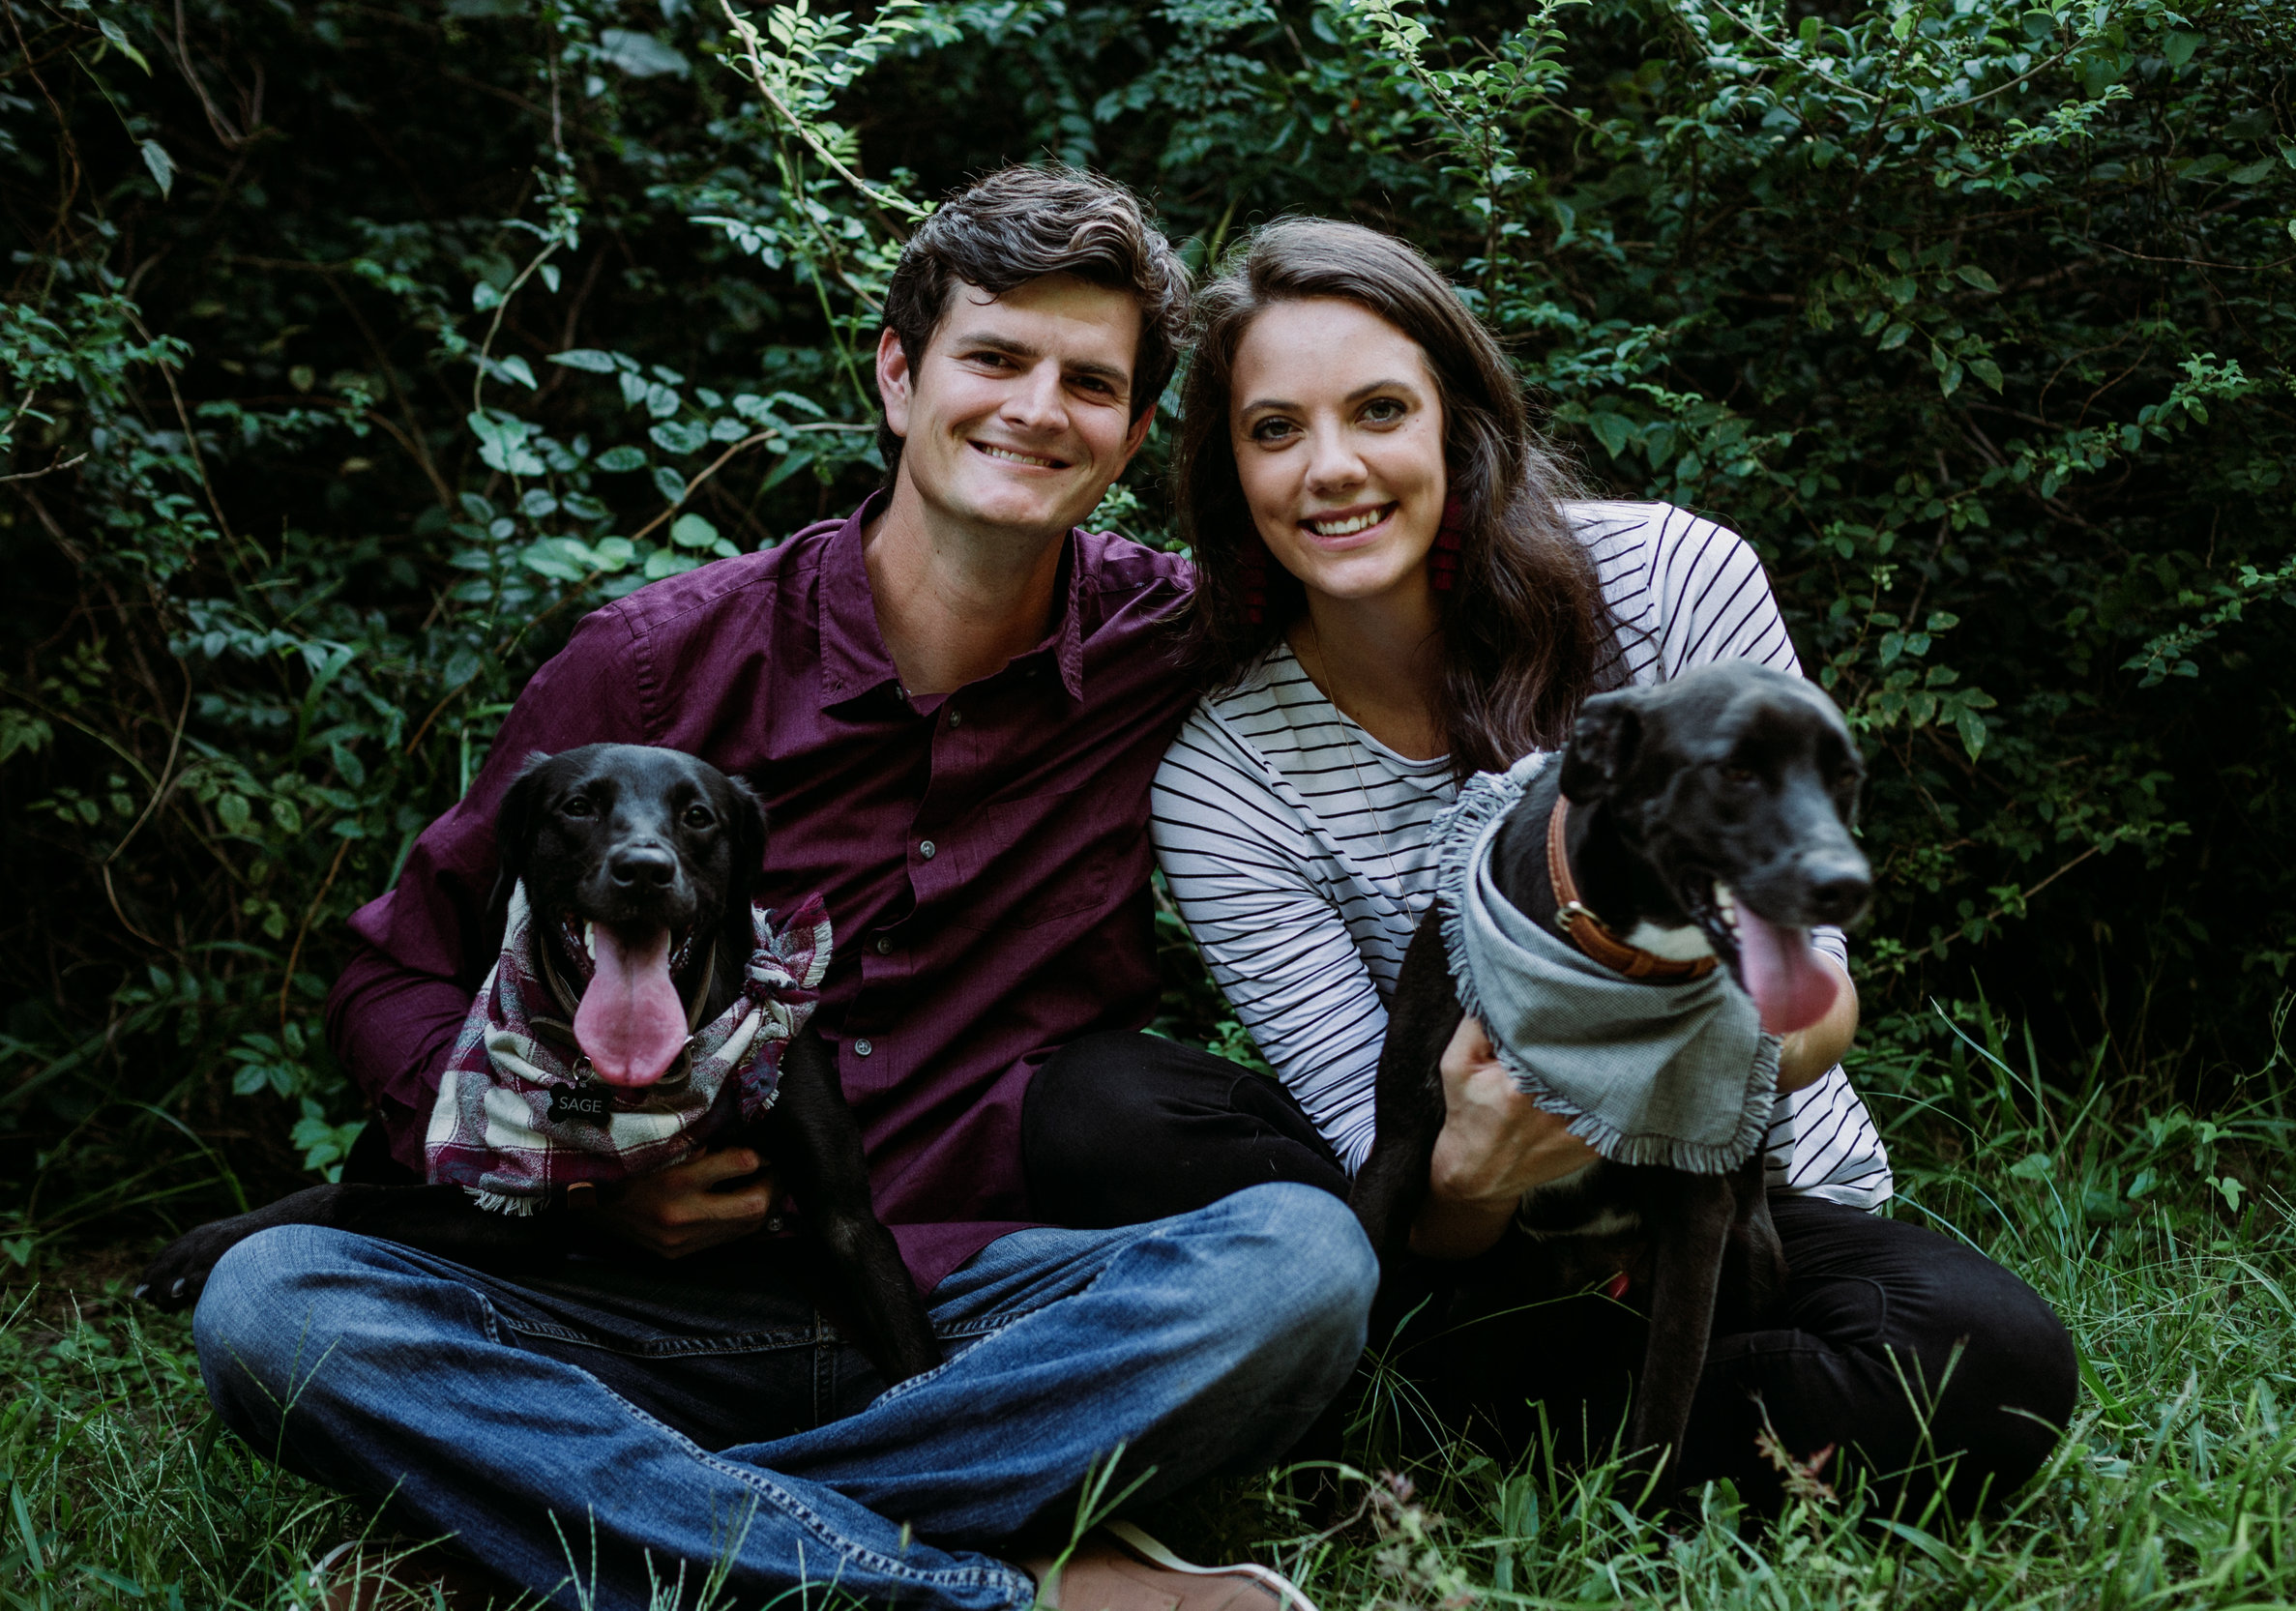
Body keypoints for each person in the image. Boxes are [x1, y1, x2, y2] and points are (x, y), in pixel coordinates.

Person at [187, 169, 1376, 1611]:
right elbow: (392, 972)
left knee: (1299, 1266)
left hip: (969, 1302)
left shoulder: (1167, 650)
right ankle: (1001, 1586)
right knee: (273, 1308)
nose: (1036, 408)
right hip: (623, 1301)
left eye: (1090, 382)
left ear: (1130, 433)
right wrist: (572, 1159)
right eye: (993, 357)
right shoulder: (651, 667)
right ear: (898, 371)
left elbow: (1409, 570)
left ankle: (600, 1518)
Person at [1024, 217, 2076, 1513]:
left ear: (1458, 422)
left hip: (1738, 1197)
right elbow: (1391, 1163)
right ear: (1228, 470)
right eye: (1275, 429)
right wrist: (1474, 1172)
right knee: (1104, 1104)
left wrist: (1622, 1067)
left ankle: (1510, 1421)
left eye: (1379, 409)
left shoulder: (1672, 582)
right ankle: (1598, 1409)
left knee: (1996, 1364)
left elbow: (1815, 1014)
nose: (1333, 467)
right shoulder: (1225, 777)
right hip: (1470, 1242)